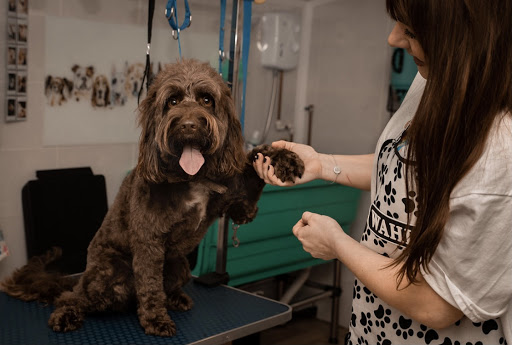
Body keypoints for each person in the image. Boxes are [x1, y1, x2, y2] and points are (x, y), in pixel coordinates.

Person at [253, 0, 512, 344]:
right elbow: (401, 169)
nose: (393, 39)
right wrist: (320, 163)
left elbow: (436, 305)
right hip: (371, 331)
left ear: (462, 39)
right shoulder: (433, 78)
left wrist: (338, 244)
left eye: (411, 31)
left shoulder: (500, 152)